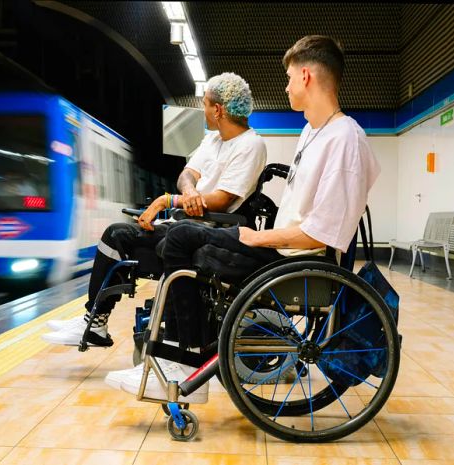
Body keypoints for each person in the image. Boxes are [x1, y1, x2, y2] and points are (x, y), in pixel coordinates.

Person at [111, 35, 381, 404]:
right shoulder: (313, 132)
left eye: (288, 77)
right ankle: (178, 356)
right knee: (181, 236)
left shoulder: (344, 140)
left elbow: (324, 234)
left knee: (179, 240)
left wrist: (259, 238)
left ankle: (184, 364)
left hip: (298, 261)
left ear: (306, 77)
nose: (285, 86)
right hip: (284, 252)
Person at [42, 72, 267, 348]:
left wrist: (167, 201)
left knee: (119, 236)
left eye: (205, 103)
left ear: (218, 110)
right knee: (116, 234)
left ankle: (98, 323)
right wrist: (189, 192)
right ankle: (95, 322)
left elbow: (221, 200)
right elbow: (187, 174)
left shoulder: (251, 145)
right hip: (187, 223)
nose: (203, 109)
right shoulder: (213, 140)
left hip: (206, 234)